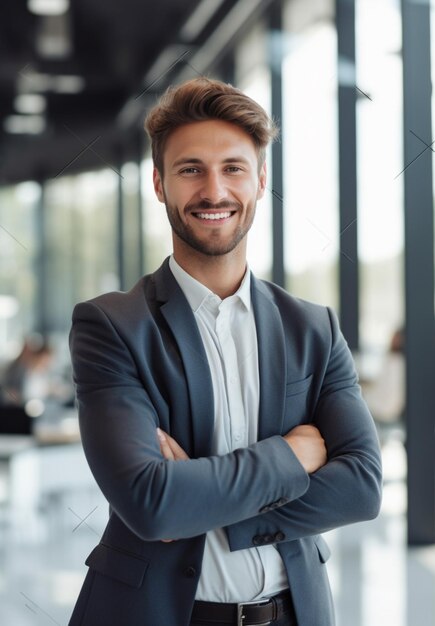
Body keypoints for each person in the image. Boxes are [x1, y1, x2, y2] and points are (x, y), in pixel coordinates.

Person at [68, 78, 382, 626]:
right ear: (159, 184)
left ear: (261, 181)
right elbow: (151, 503)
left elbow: (360, 489)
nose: (214, 191)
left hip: (294, 615)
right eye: (191, 169)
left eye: (233, 168)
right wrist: (295, 456)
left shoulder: (314, 328)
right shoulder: (111, 326)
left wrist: (203, 504)